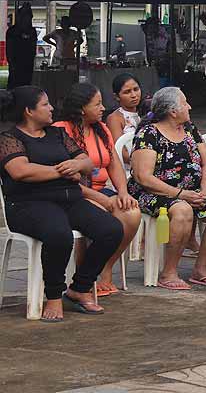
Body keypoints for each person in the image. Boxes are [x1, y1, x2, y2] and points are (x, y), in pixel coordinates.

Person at [0, 86, 123, 321]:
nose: (52, 108)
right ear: (29, 111)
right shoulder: (9, 139)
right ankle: (54, 296)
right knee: (59, 235)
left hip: (69, 199)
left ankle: (79, 288)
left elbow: (86, 161)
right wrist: (63, 170)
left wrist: (77, 167)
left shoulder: (57, 134)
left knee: (111, 229)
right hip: (29, 204)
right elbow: (21, 171)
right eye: (45, 104)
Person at [129, 87, 206, 289]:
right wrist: (181, 194)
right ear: (173, 111)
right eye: (185, 103)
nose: (190, 107)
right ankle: (168, 273)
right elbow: (144, 177)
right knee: (182, 210)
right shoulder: (148, 134)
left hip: (191, 191)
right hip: (154, 193)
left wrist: (203, 190)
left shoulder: (190, 129)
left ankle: (201, 269)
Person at [53, 83, 141, 296]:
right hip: (74, 194)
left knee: (131, 213)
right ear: (82, 108)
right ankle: (85, 277)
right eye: (98, 104)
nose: (103, 108)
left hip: (102, 190)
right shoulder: (60, 130)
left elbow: (114, 164)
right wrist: (101, 200)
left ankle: (105, 268)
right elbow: (66, 178)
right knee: (100, 216)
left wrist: (122, 192)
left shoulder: (101, 129)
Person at [105, 73, 147, 165]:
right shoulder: (115, 118)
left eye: (136, 89)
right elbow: (121, 152)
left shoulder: (147, 113)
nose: (133, 95)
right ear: (116, 96)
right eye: (127, 92)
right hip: (128, 170)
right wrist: (146, 162)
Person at [5, 3, 37, 90]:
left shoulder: (32, 31)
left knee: (26, 87)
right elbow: (9, 50)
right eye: (25, 17)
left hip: (28, 65)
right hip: (16, 65)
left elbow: (33, 48)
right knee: (14, 87)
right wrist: (12, 63)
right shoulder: (12, 31)